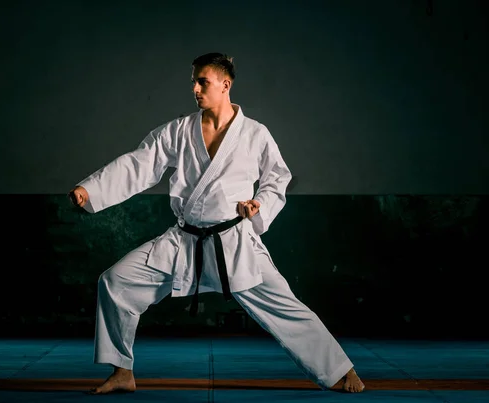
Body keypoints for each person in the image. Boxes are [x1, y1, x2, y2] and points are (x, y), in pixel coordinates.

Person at [68, 53, 365, 394]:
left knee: (285, 307)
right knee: (115, 282)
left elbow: (277, 178)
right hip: (184, 240)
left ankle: (340, 370)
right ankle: (121, 371)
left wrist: (259, 206)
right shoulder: (179, 131)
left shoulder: (254, 134)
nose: (195, 88)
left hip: (234, 242)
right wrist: (90, 190)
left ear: (225, 85)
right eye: (193, 81)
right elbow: (139, 164)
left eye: (202, 81)